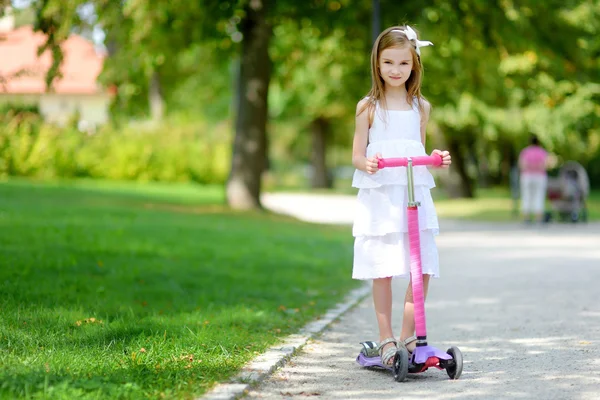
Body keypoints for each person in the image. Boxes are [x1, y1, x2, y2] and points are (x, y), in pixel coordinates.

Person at [350, 25, 451, 366]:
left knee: (419, 266)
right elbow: (356, 156)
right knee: (383, 267)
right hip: (381, 196)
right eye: (388, 62)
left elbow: (417, 152)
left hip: (413, 194)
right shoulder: (368, 107)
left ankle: (409, 334)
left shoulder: (420, 107)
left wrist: (435, 158)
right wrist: (368, 162)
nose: (395, 70)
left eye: (403, 64)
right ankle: (385, 337)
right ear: (377, 64)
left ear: (414, 65)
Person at [518, 134, 548, 223]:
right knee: (539, 196)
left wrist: (530, 167)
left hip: (527, 176)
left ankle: (526, 217)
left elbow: (522, 165)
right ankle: (538, 217)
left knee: (526, 196)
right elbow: (544, 165)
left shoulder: (525, 152)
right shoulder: (542, 152)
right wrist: (537, 167)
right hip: (539, 176)